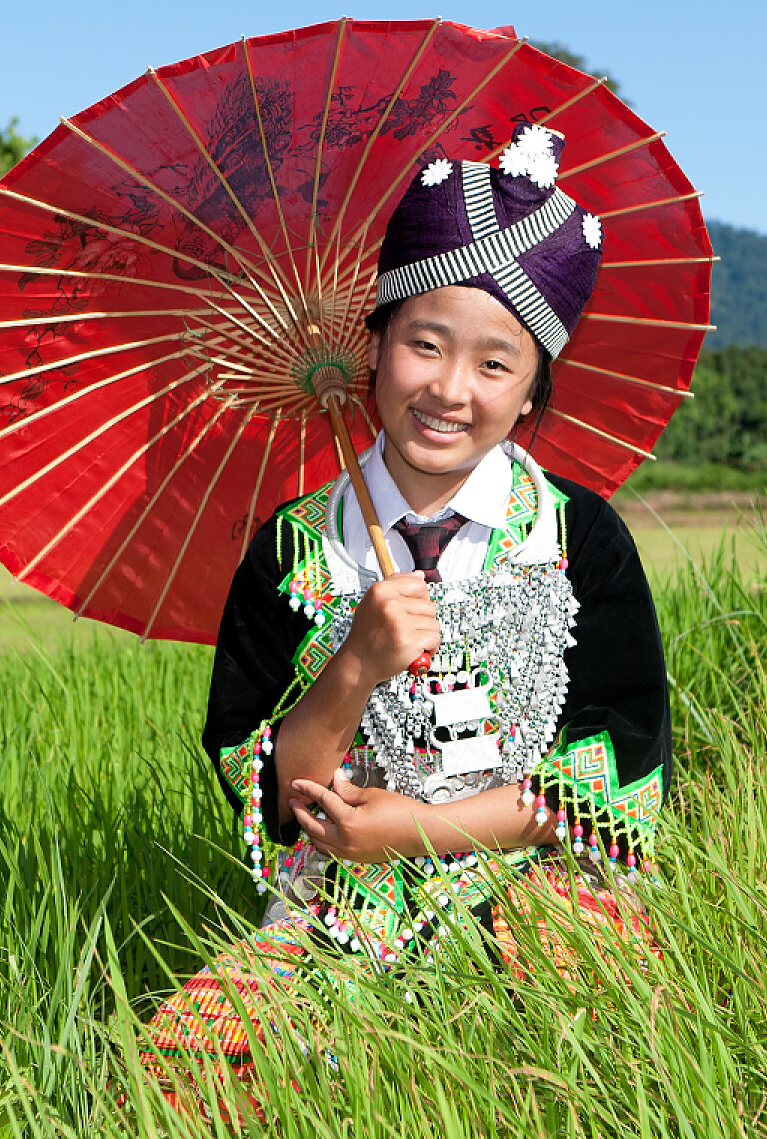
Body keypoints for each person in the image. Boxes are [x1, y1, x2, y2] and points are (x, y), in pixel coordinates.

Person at [142, 123, 673, 1095]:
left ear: (530, 398)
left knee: (589, 1027)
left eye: (494, 365)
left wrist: (423, 827)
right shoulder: (296, 549)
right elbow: (271, 782)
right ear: (375, 346)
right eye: (424, 343)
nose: (448, 388)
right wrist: (356, 661)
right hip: (345, 893)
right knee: (186, 1062)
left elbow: (614, 763)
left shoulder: (576, 540)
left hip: (528, 872)